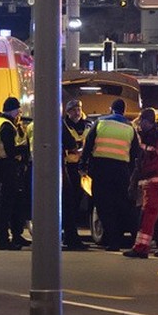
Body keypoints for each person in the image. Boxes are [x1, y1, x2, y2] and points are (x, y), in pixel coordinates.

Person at [81, 97, 136, 250]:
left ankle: (113, 242)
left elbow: (88, 145)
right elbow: (135, 153)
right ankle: (135, 238)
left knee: (104, 207)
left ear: (111, 109)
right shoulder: (129, 127)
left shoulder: (101, 123)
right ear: (123, 111)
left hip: (101, 170)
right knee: (123, 205)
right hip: (121, 171)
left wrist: (83, 164)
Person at [123, 106, 158, 258]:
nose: (139, 124)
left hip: (156, 183)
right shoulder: (149, 136)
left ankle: (141, 247)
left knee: (148, 215)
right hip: (151, 181)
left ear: (146, 121)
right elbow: (142, 161)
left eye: (141, 121)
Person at [0, 96, 29, 250]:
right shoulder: (6, 126)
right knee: (4, 207)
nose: (19, 112)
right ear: (12, 110)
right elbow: (10, 150)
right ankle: (3, 241)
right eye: (17, 109)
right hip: (7, 167)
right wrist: (22, 150)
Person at [61, 98, 89, 250]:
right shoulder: (63, 125)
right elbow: (68, 144)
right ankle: (70, 236)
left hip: (84, 168)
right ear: (68, 112)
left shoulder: (88, 125)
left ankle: (70, 234)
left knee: (77, 202)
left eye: (79, 109)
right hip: (68, 167)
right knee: (69, 202)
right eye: (74, 110)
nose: (77, 112)